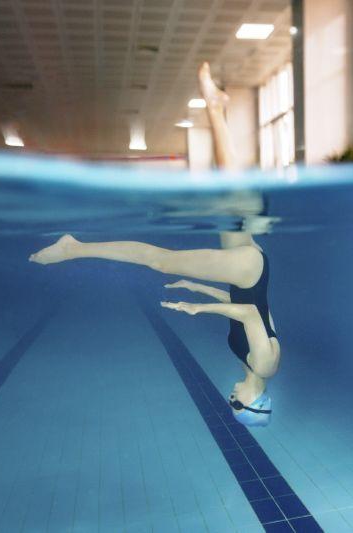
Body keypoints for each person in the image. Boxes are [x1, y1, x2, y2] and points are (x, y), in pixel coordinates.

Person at [29, 63, 280, 427]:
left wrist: (197, 287)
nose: (231, 398)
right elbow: (250, 314)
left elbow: (251, 307)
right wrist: (198, 309)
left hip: (248, 275)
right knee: (162, 261)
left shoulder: (253, 366)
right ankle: (74, 248)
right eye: (235, 404)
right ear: (252, 403)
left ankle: (215, 108)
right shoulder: (264, 365)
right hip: (247, 270)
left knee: (230, 201)